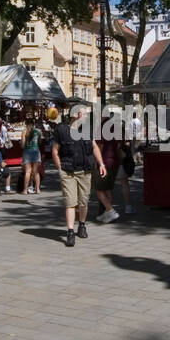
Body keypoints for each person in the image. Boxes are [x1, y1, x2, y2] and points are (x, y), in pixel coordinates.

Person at [52, 103, 106, 247]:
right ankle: (70, 232)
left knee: (83, 202)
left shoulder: (87, 130)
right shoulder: (62, 130)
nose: (87, 117)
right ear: (77, 115)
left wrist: (101, 164)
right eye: (85, 114)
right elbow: (55, 151)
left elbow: (94, 147)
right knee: (70, 202)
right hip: (68, 172)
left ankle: (81, 225)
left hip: (85, 171)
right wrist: (60, 168)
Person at [95, 133, 121, 223]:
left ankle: (110, 211)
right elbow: (118, 145)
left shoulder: (102, 127)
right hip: (114, 161)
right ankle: (107, 214)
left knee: (98, 188)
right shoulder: (115, 127)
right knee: (108, 189)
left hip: (104, 162)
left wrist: (98, 162)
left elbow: (100, 146)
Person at [22, 112, 44, 194]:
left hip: (27, 151)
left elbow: (23, 145)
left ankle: (25, 190)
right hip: (35, 151)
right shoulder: (38, 131)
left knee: (27, 171)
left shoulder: (24, 132)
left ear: (26, 124)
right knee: (36, 171)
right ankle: (38, 189)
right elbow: (40, 142)